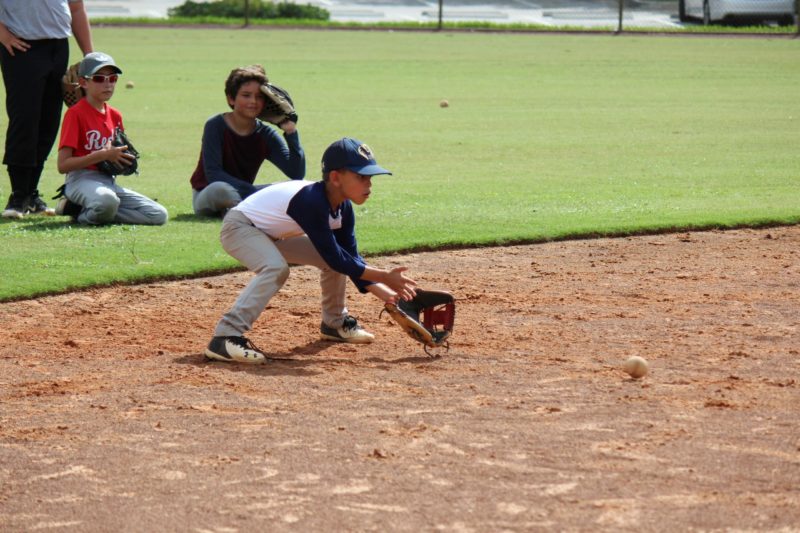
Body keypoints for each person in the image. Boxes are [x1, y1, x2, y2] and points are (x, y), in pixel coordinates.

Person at [205, 137, 417, 364]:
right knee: (276, 268)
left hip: (272, 236)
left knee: (337, 259)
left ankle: (334, 324)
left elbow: (349, 259)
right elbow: (338, 260)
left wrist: (390, 297)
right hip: (239, 228)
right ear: (335, 177)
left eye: (370, 177)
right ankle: (225, 337)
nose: (369, 184)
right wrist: (384, 276)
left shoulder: (343, 208)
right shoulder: (311, 200)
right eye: (361, 177)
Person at [0, 0, 92, 219]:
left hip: (58, 46)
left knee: (48, 122)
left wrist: (89, 56)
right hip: (21, 46)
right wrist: (3, 35)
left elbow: (76, 8)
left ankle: (31, 194)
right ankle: (18, 196)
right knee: (25, 119)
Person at [54, 52, 168, 225]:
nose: (107, 84)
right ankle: (83, 215)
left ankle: (85, 209)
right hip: (80, 180)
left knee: (158, 214)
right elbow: (63, 166)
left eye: (112, 78)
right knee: (107, 201)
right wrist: (102, 155)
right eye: (99, 79)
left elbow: (112, 158)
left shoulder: (115, 115)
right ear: (84, 82)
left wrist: (121, 161)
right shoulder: (75, 114)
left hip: (107, 182)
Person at [189, 64, 305, 217]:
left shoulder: (265, 134)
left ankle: (240, 210)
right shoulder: (215, 125)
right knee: (222, 189)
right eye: (246, 95)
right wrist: (254, 193)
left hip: (245, 194)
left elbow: (296, 173)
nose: (253, 101)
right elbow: (214, 174)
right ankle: (250, 209)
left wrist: (290, 131)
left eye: (259, 97)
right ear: (231, 99)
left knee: (297, 187)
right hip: (209, 193)